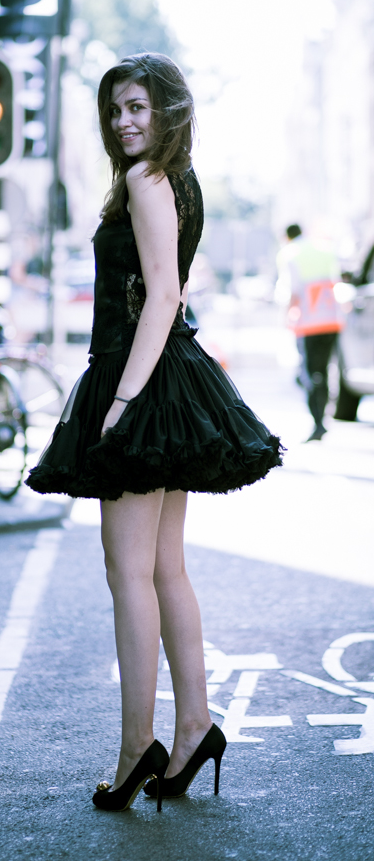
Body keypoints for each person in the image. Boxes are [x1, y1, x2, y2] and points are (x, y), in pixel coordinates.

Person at [26, 53, 283, 812]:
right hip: (165, 372)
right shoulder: (179, 178)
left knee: (128, 572)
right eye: (114, 110)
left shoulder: (146, 181)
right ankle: (194, 723)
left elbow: (163, 291)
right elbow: (170, 290)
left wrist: (122, 403)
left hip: (138, 374)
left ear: (167, 109)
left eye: (136, 107)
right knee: (165, 567)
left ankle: (140, 744)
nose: (123, 122)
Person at [276, 224, 344, 441]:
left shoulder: (289, 253)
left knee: (309, 373)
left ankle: (318, 423)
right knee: (323, 371)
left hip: (308, 322)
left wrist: (285, 317)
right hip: (331, 320)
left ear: (286, 237)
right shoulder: (324, 249)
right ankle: (322, 419)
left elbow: (292, 289)